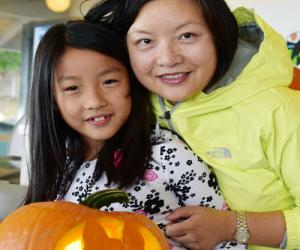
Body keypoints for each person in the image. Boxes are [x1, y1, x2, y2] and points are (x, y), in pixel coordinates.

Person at [85, 0, 300, 249]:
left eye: (187, 35)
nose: (168, 58)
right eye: (145, 41)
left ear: (218, 34)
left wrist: (231, 227)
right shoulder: (137, 107)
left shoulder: (280, 111)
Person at [25, 20, 246, 250]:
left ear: (132, 81)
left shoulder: (168, 154)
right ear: (51, 99)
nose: (95, 101)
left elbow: (227, 242)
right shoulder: (61, 163)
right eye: (72, 88)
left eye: (109, 81)